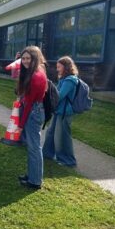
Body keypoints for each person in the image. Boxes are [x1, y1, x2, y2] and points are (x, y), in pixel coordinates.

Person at [16, 46, 47, 189]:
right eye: (23, 58)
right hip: (34, 109)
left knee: (34, 147)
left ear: (35, 58)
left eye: (28, 58)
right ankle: (32, 175)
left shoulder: (36, 76)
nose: (25, 61)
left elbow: (29, 104)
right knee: (32, 146)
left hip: (33, 111)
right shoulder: (34, 72)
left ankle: (35, 181)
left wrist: (21, 124)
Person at [42, 56, 79, 167]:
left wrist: (50, 92)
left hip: (65, 113)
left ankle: (68, 161)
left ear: (65, 67)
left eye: (59, 67)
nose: (57, 69)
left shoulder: (70, 80)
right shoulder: (63, 79)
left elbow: (59, 95)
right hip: (58, 111)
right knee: (50, 133)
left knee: (62, 136)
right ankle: (47, 154)